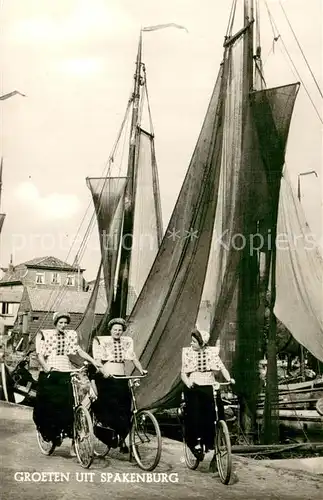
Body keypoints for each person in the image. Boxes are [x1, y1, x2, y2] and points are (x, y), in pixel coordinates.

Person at [33, 312, 101, 451]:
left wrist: (93, 361)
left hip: (65, 370)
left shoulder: (70, 336)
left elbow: (79, 351)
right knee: (51, 404)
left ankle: (71, 435)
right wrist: (46, 367)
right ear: (56, 323)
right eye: (61, 322)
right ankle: (52, 432)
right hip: (51, 372)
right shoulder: (46, 335)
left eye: (65, 323)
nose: (63, 325)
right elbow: (40, 355)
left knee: (69, 403)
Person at [91, 317, 147, 453]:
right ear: (110, 330)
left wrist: (141, 370)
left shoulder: (126, 343)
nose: (117, 332)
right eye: (115, 330)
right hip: (107, 378)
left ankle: (122, 438)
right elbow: (97, 361)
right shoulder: (102, 342)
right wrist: (103, 371)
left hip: (121, 378)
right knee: (111, 407)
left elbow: (133, 358)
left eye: (120, 330)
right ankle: (110, 434)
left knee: (126, 407)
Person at [181, 327, 234, 459]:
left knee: (214, 414)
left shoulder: (211, 353)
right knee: (195, 416)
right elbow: (183, 373)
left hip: (209, 387)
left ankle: (212, 442)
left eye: (194, 342)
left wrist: (229, 379)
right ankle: (195, 444)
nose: (191, 344)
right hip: (194, 387)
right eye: (191, 341)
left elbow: (222, 368)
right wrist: (188, 382)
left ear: (202, 343)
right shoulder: (188, 353)